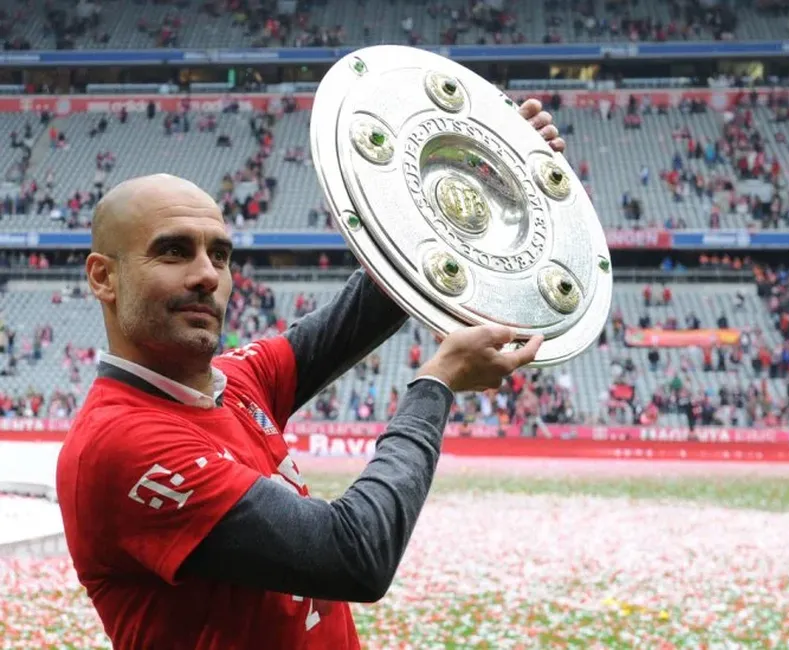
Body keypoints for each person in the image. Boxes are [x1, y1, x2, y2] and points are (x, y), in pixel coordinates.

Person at [56, 99, 564, 650]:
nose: (207, 275)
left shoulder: (238, 380)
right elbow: (353, 555)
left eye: (220, 255)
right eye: (174, 252)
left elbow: (364, 310)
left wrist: (479, 178)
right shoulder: (118, 445)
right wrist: (435, 386)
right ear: (103, 277)